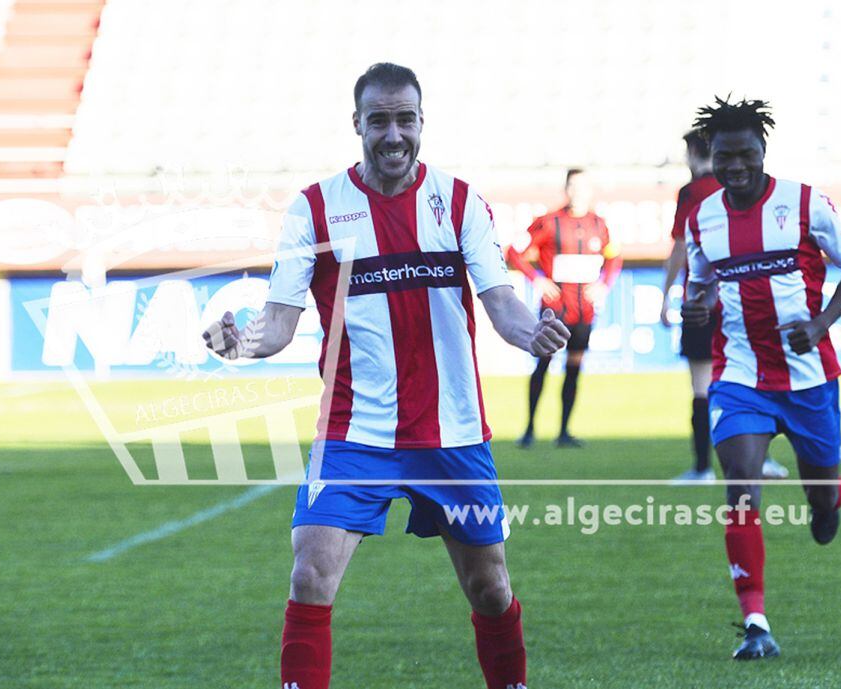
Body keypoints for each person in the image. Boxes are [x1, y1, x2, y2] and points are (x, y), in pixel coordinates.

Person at [203, 62, 568, 689]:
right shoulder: (314, 211)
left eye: (405, 120)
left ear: (422, 123)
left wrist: (531, 333)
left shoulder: (458, 203)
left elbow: (501, 303)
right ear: (357, 125)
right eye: (379, 121)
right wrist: (239, 342)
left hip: (450, 434)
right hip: (353, 430)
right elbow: (280, 325)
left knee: (489, 587)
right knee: (309, 575)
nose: (393, 135)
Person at [681, 96, 841, 660]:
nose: (735, 166)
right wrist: (697, 306)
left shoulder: (806, 203)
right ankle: (756, 622)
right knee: (740, 483)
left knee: (823, 495)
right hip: (739, 373)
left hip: (809, 377)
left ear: (763, 151)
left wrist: (820, 323)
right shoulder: (702, 217)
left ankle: (825, 503)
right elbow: (702, 285)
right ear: (709, 156)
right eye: (723, 157)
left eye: (746, 154)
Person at [662, 130, 789, 483]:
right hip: (742, 297)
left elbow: (680, 248)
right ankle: (762, 460)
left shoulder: (691, 193)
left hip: (701, 301)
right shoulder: (741, 189)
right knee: (753, 379)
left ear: (693, 154)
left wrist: (665, 295)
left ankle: (702, 468)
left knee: (702, 385)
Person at [506, 169, 622, 448]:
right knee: (543, 364)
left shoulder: (600, 224)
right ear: (566, 189)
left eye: (583, 186)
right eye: (573, 186)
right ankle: (530, 429)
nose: (578, 192)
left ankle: (564, 432)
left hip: (584, 311)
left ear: (590, 190)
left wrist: (604, 284)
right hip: (554, 309)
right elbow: (514, 252)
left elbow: (614, 257)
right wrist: (538, 279)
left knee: (574, 368)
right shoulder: (548, 222)